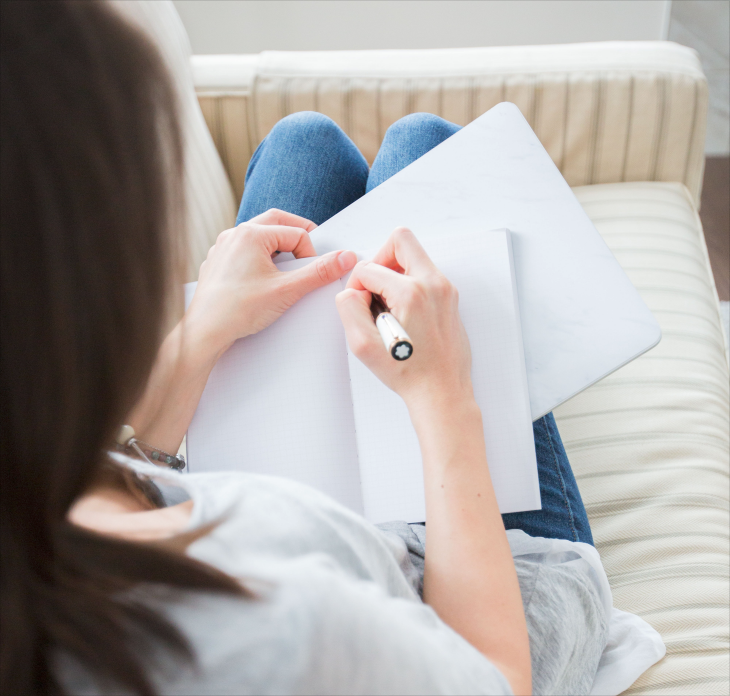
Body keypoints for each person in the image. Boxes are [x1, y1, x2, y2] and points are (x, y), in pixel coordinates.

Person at [0, 2, 608, 695]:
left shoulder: (33, 486)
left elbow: (109, 470)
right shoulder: (277, 627)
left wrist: (204, 332)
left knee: (304, 144)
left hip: (277, 518)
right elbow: (492, 677)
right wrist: (444, 392)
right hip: (476, 605)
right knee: (423, 146)